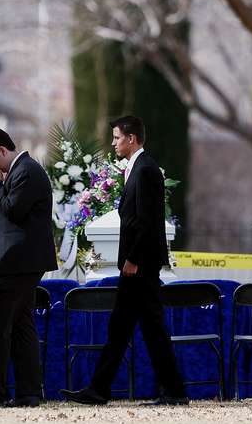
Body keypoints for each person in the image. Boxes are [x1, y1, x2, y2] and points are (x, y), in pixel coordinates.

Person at [61, 116, 187, 406]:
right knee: (125, 328)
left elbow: (146, 222)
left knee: (142, 328)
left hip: (139, 264)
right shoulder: (138, 169)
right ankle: (101, 388)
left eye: (117, 137)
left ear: (132, 139)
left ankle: (170, 390)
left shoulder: (145, 170)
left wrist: (132, 259)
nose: (114, 142)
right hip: (138, 264)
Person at [0, 127, 56, 407]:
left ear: (3, 150)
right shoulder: (20, 171)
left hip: (18, 263)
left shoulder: (26, 170)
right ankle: (28, 392)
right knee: (21, 325)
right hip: (20, 262)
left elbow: (13, 209)